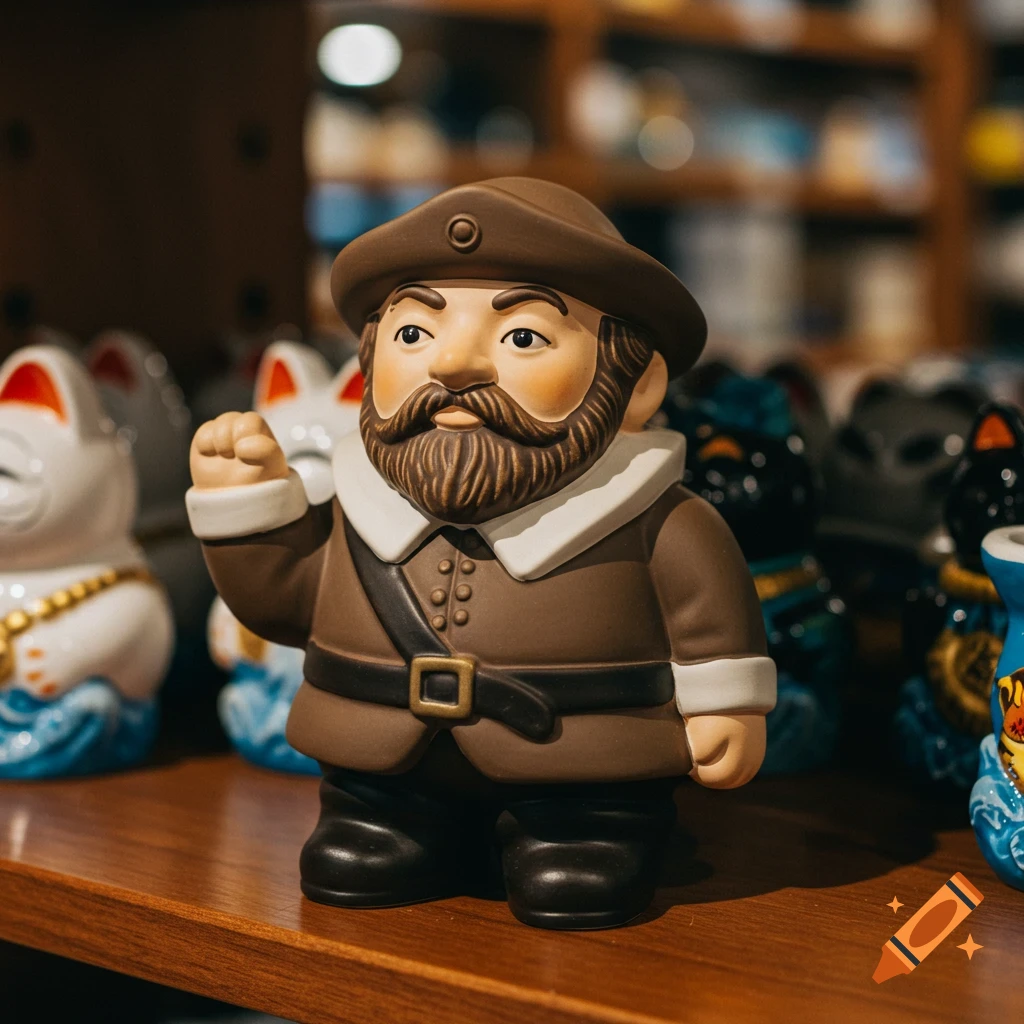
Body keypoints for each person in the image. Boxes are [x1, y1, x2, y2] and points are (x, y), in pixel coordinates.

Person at [185, 177, 775, 929]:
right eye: (413, 335)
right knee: (365, 842)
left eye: (523, 336)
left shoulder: (657, 523)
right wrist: (244, 513)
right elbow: (285, 602)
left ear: (635, 385)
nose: (453, 365)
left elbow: (710, 619)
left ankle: (587, 836)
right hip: (378, 771)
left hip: (583, 767)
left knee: (582, 854)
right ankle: (389, 828)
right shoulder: (355, 508)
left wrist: (725, 705)